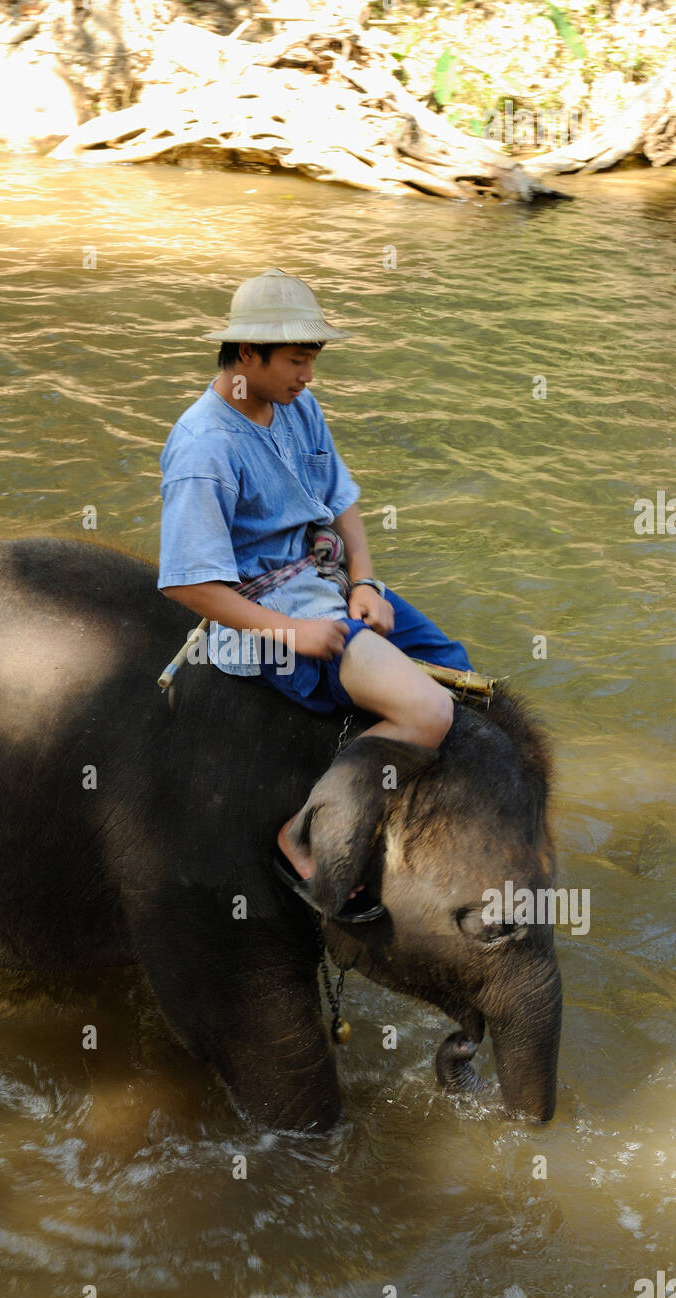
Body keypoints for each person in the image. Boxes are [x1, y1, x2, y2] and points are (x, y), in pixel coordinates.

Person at [158, 269, 472, 921]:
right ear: (248, 355)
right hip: (266, 615)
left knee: (460, 672)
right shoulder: (204, 446)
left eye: (311, 360)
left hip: (324, 579)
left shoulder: (297, 406)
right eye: (298, 361)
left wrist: (364, 582)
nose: (308, 376)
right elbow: (189, 582)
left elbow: (341, 501)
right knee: (427, 713)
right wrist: (290, 632)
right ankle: (301, 840)